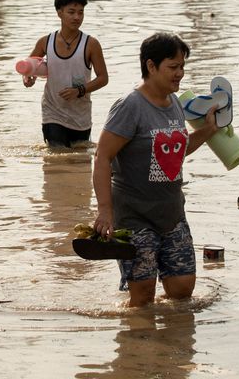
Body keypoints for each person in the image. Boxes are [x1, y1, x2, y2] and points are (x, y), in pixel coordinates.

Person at [91, 32, 218, 307]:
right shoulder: (130, 106)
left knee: (183, 291)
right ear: (151, 66)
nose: (180, 73)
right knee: (143, 296)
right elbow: (102, 157)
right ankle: (139, 345)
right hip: (135, 217)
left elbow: (176, 150)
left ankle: (169, 344)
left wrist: (208, 130)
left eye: (182, 66)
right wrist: (104, 210)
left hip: (172, 213)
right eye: (173, 67)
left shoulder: (174, 103)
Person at [22, 0, 108, 148]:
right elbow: (29, 68)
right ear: (59, 13)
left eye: (81, 12)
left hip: (80, 115)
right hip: (52, 112)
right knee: (57, 155)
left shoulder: (91, 44)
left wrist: (79, 91)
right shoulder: (45, 42)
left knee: (80, 161)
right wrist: (28, 79)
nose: (77, 17)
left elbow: (103, 78)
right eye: (71, 12)